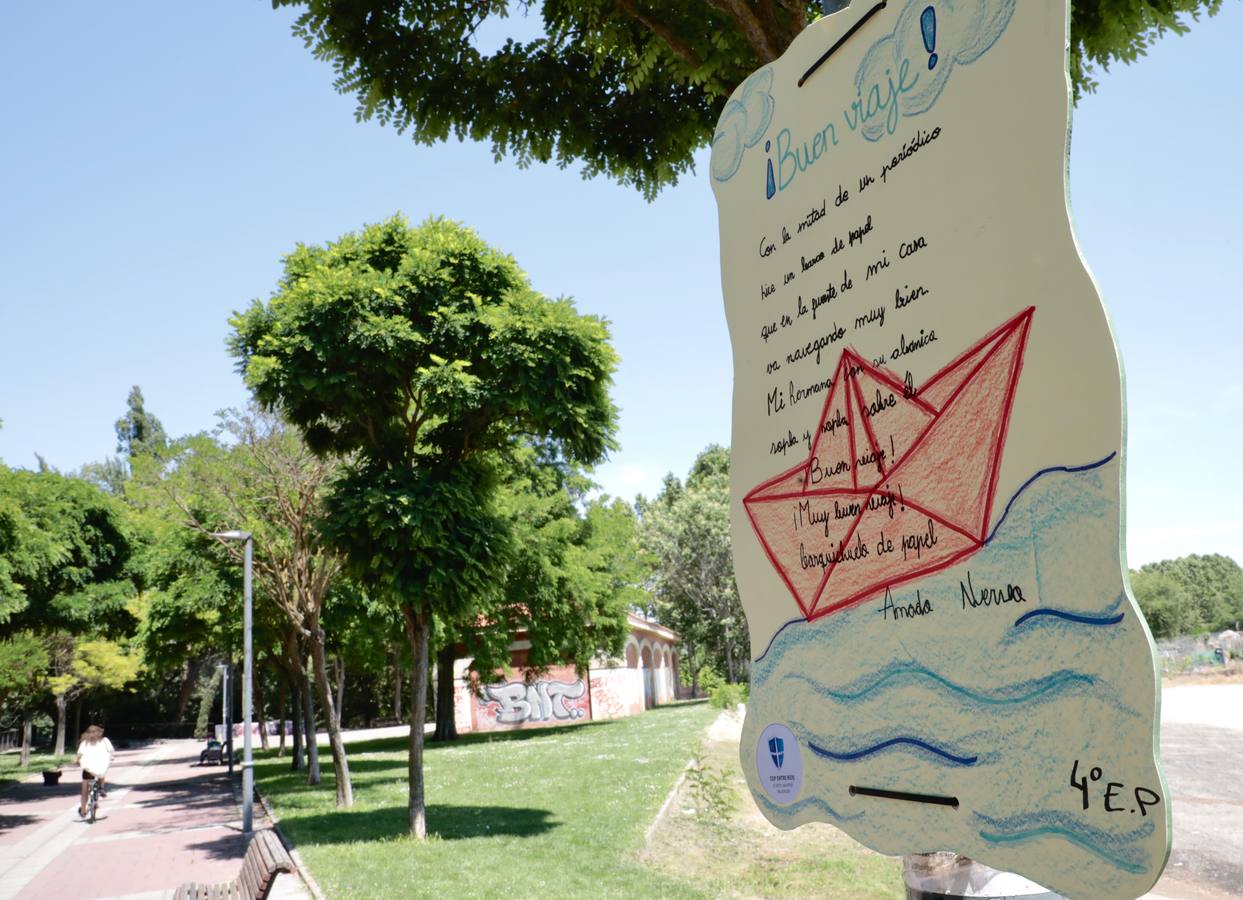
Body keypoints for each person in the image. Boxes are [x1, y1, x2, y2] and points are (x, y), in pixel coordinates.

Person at [75, 724, 115, 818]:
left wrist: (77, 761)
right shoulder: (104, 741)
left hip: (88, 769)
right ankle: (101, 788)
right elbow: (110, 752)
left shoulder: (84, 743)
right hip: (100, 768)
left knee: (84, 790)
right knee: (101, 774)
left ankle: (83, 810)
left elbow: (80, 755)